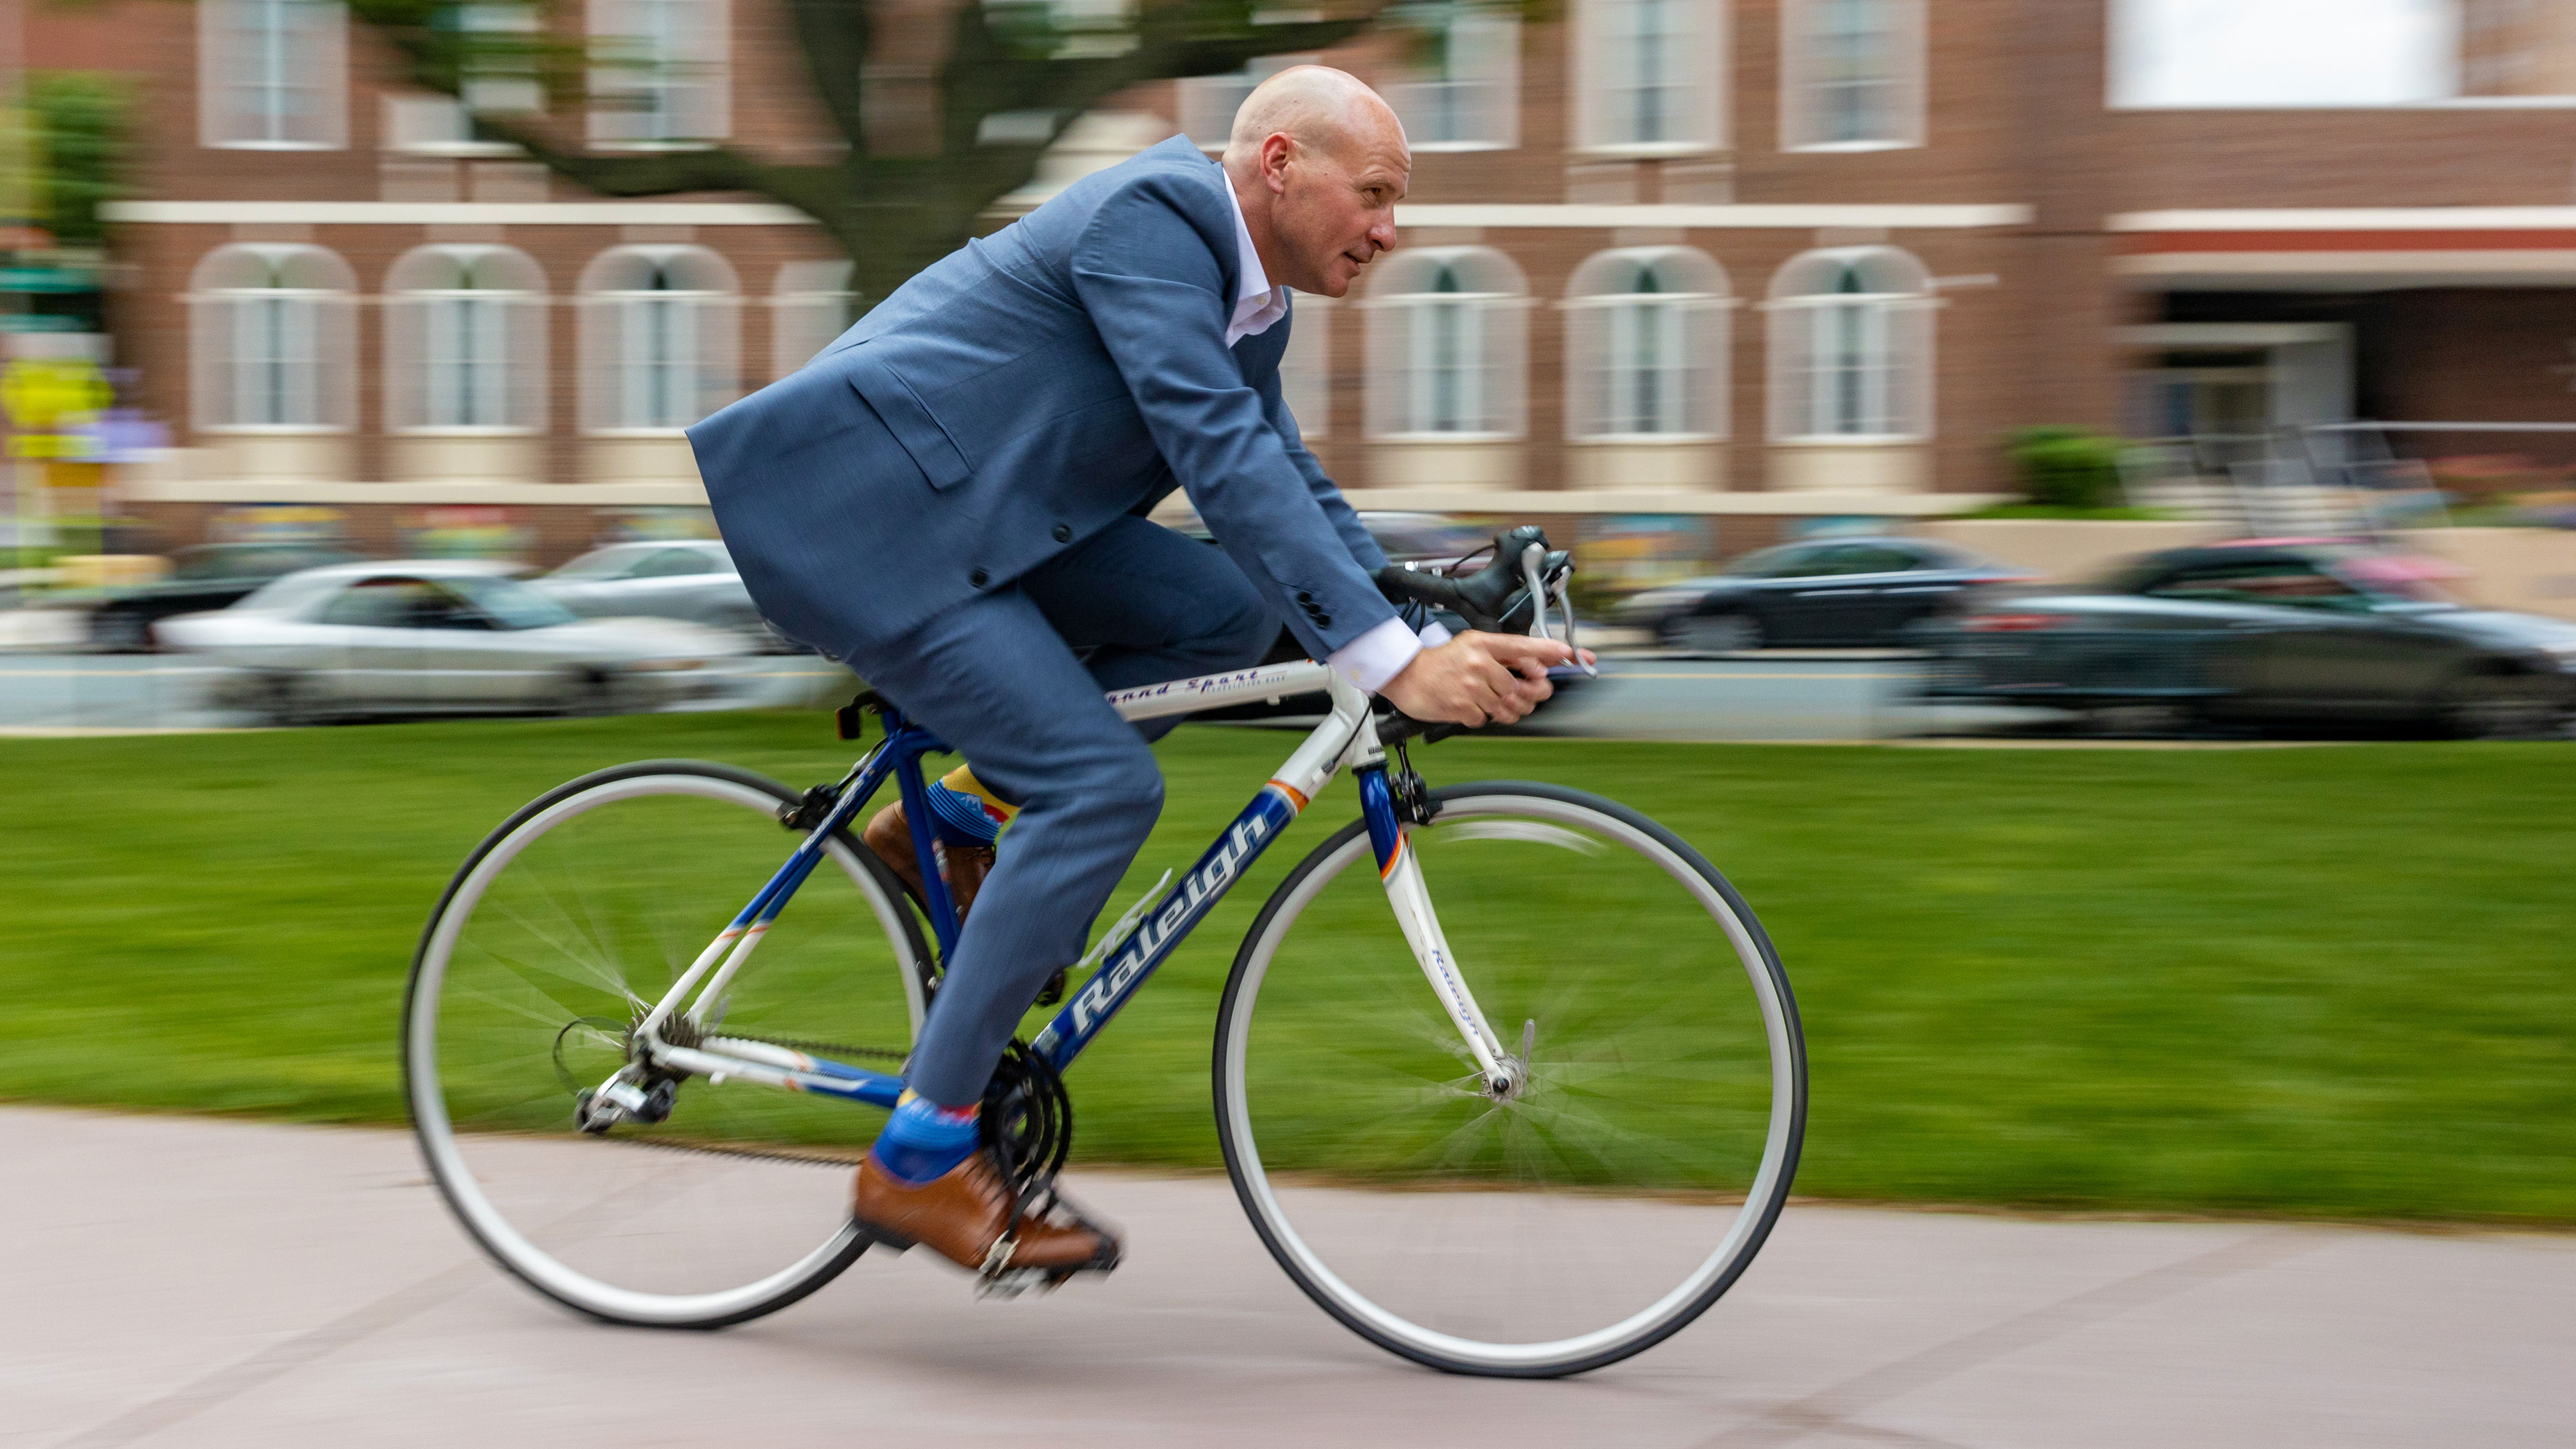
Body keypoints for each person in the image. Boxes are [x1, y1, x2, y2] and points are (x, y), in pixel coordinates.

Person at [688, 66, 1575, 1283]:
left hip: (986, 512)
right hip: (873, 520)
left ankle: (956, 823)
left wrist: (1420, 601)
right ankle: (920, 1157)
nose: (1388, 229)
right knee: (1099, 788)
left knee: (1229, 607)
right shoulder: (1150, 224)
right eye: (1372, 193)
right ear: (1278, 165)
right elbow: (1214, 451)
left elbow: (1281, 468)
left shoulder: (1250, 293)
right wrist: (1392, 663)